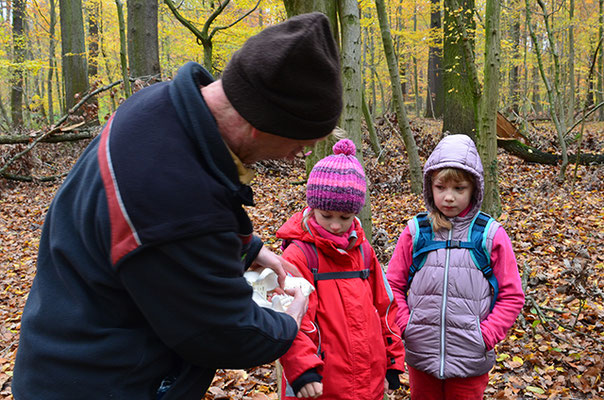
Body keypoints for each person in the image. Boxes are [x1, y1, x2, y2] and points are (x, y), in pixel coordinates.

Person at [13, 12, 343, 400]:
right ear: (259, 123)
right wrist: (291, 318)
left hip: (66, 347)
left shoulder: (158, 108)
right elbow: (223, 332)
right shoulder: (172, 193)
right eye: (300, 143)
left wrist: (252, 249)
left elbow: (175, 233)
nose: (296, 156)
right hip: (97, 382)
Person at [386, 134, 525, 400]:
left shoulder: (489, 235)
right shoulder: (416, 232)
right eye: (441, 187)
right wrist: (406, 325)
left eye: (459, 189)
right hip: (421, 352)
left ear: (474, 188)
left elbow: (512, 294)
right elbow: (393, 284)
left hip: (470, 358)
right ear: (430, 187)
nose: (448, 197)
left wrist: (485, 336)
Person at [276, 139, 406, 400]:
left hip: (369, 380)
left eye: (345, 218)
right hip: (321, 384)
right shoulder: (298, 256)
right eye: (326, 215)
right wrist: (303, 369)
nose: (336, 226)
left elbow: (385, 307)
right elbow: (289, 316)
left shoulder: (363, 251)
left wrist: (392, 362)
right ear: (312, 209)